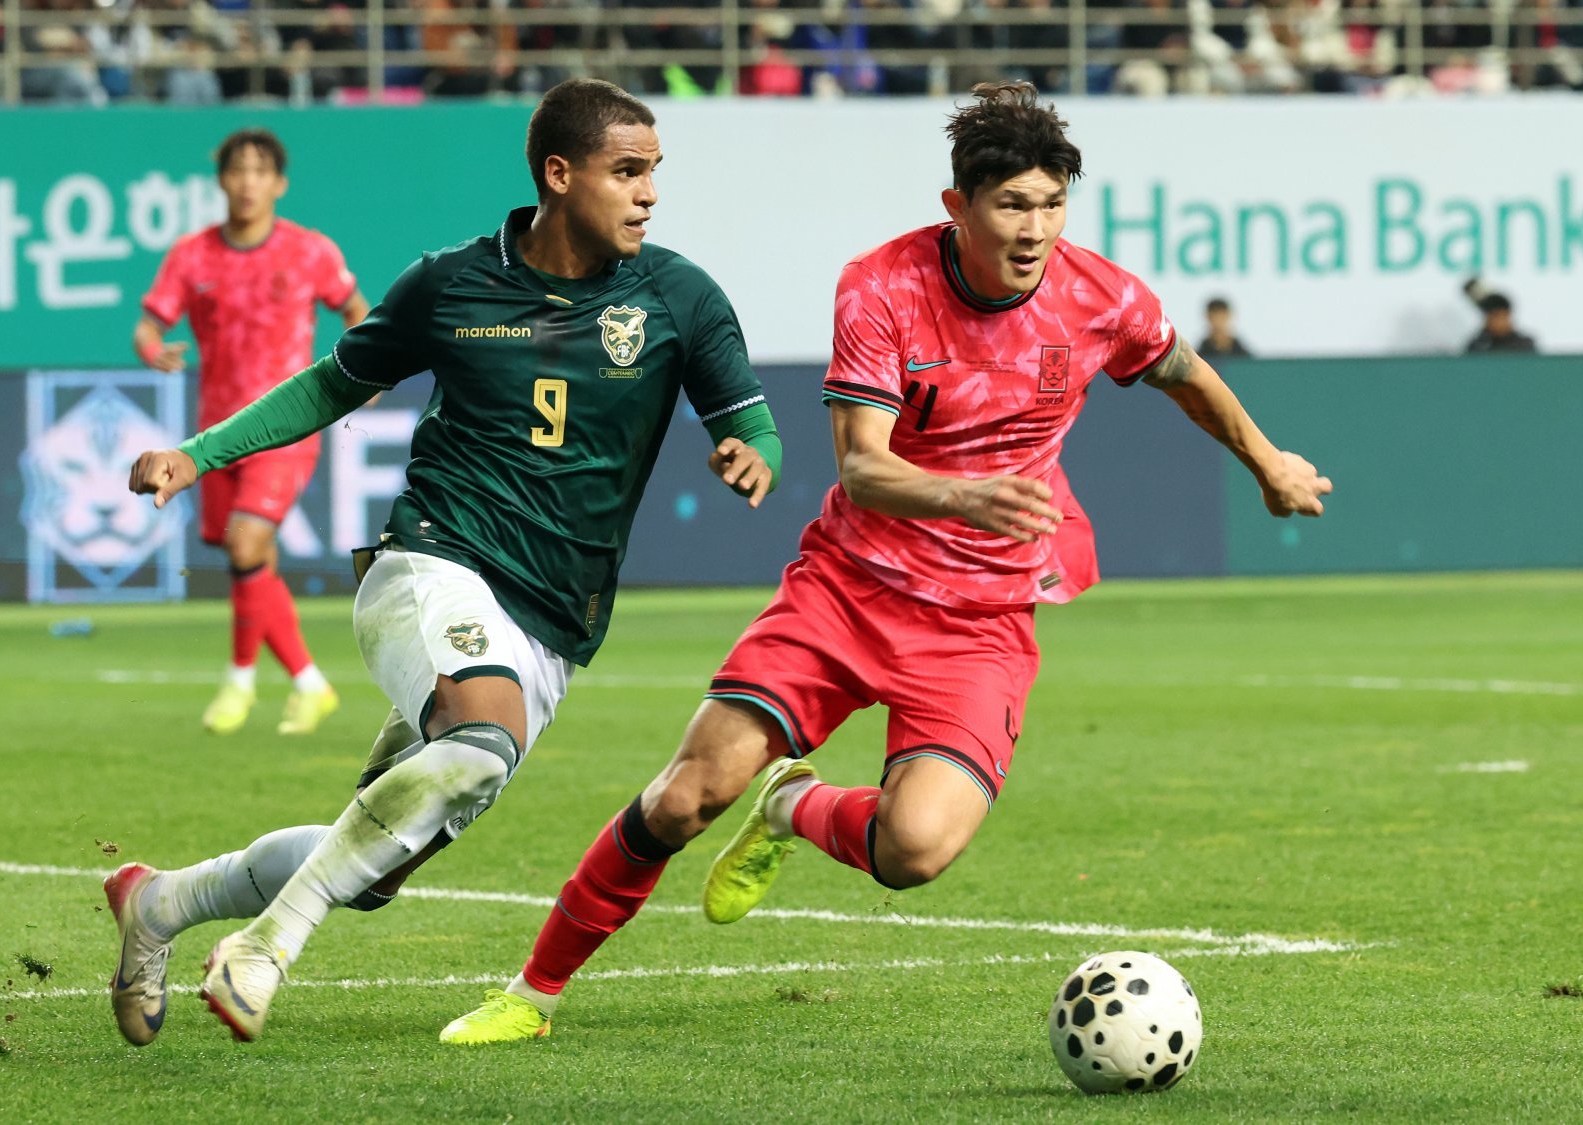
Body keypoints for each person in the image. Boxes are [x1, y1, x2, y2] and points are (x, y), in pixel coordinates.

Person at [432, 80, 1333, 1047]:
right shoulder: (883, 285)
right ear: (958, 207)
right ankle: (531, 993)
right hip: (851, 591)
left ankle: (796, 805)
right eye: (1011, 205)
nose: (1034, 228)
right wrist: (965, 493)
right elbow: (863, 467)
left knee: (913, 849)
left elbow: (1181, 369)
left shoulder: (1101, 296)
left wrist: (1268, 460)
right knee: (689, 791)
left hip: (981, 620)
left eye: (1051, 203)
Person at [109, 78, 782, 1047]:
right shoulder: (453, 285)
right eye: (626, 172)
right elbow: (330, 385)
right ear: (559, 174)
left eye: (653, 175)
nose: (648, 195)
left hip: (555, 627)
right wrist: (198, 453)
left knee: (376, 865)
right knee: (477, 743)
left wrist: (750, 450)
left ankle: (160, 904)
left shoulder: (678, 298)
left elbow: (749, 416)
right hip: (430, 565)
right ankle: (265, 947)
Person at [135, 128, 369, 737]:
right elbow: (148, 325)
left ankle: (241, 681)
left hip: (286, 427)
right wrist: (152, 348)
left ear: (278, 183)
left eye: (259, 171)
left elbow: (356, 310)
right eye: (236, 170)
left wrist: (363, 366)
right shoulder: (192, 255)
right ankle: (309, 684)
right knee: (249, 558)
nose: (246, 182)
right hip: (214, 435)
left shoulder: (310, 251)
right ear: (221, 181)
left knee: (245, 547)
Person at [1465, 291, 1538, 354]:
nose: (1494, 322)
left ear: (1508, 316)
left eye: (1497, 316)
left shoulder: (1524, 345)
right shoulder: (1479, 345)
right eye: (1490, 317)